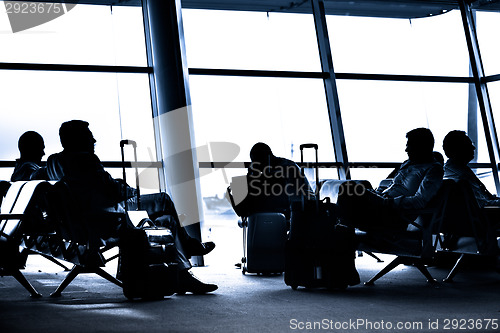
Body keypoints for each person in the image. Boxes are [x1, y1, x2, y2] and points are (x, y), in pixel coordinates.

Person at [46, 120, 217, 294]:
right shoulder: (85, 159)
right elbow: (114, 191)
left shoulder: (53, 162)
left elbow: (93, 188)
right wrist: (131, 190)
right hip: (105, 220)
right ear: (78, 139)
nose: (94, 140)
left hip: (76, 225)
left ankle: (183, 275)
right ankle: (189, 246)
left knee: (167, 221)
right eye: (89, 136)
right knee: (163, 199)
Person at [337, 128, 444, 231]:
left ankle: (340, 228)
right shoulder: (407, 164)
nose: (406, 150)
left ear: (422, 146)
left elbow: (419, 201)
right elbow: (392, 186)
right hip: (382, 207)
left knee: (348, 189)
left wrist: (387, 202)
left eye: (410, 145)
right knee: (346, 197)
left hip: (395, 215)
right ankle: (340, 228)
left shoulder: (433, 169)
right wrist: (377, 195)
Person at [230, 142, 315, 218]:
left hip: (306, 209)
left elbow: (271, 183)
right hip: (296, 207)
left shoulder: (285, 168)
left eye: (257, 162)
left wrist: (251, 176)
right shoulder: (276, 168)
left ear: (267, 159)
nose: (257, 167)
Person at [442, 130, 500, 207]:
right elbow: (481, 204)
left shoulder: (452, 170)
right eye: (468, 145)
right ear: (458, 150)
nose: (473, 148)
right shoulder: (462, 176)